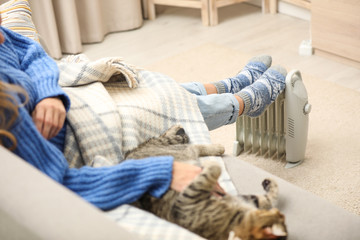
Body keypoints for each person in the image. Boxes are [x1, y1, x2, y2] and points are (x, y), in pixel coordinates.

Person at [0, 14, 286, 211]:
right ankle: (242, 103)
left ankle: (230, 85)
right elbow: (60, 184)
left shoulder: (1, 37)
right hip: (78, 139)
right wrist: (162, 171)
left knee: (147, 84)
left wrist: (49, 94)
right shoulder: (6, 117)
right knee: (161, 106)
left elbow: (29, 51)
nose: (2, 27)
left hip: (66, 101)